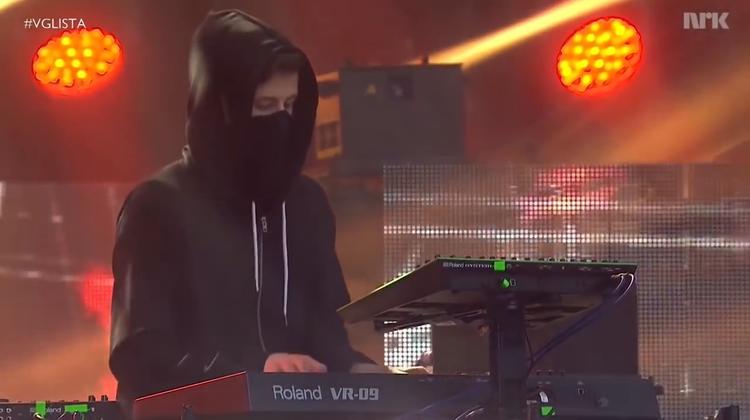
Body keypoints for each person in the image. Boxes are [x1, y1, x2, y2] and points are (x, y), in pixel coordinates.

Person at [108, 9, 384, 412]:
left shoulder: (307, 203)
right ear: (218, 107)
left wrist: (356, 369)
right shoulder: (156, 205)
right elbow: (138, 353)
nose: (281, 120)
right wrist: (252, 370)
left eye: (291, 105)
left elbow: (326, 332)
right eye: (264, 105)